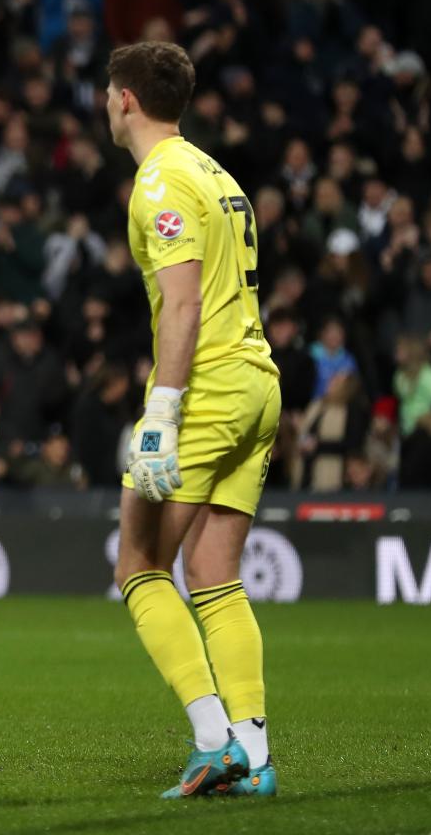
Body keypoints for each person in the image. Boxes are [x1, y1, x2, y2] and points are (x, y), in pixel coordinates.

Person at [106, 42, 281, 798]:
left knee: (139, 566)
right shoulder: (214, 170)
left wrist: (161, 414)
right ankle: (255, 752)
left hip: (207, 386)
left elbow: (183, 303)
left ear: (124, 100)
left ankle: (215, 741)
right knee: (213, 574)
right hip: (257, 382)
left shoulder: (160, 180)